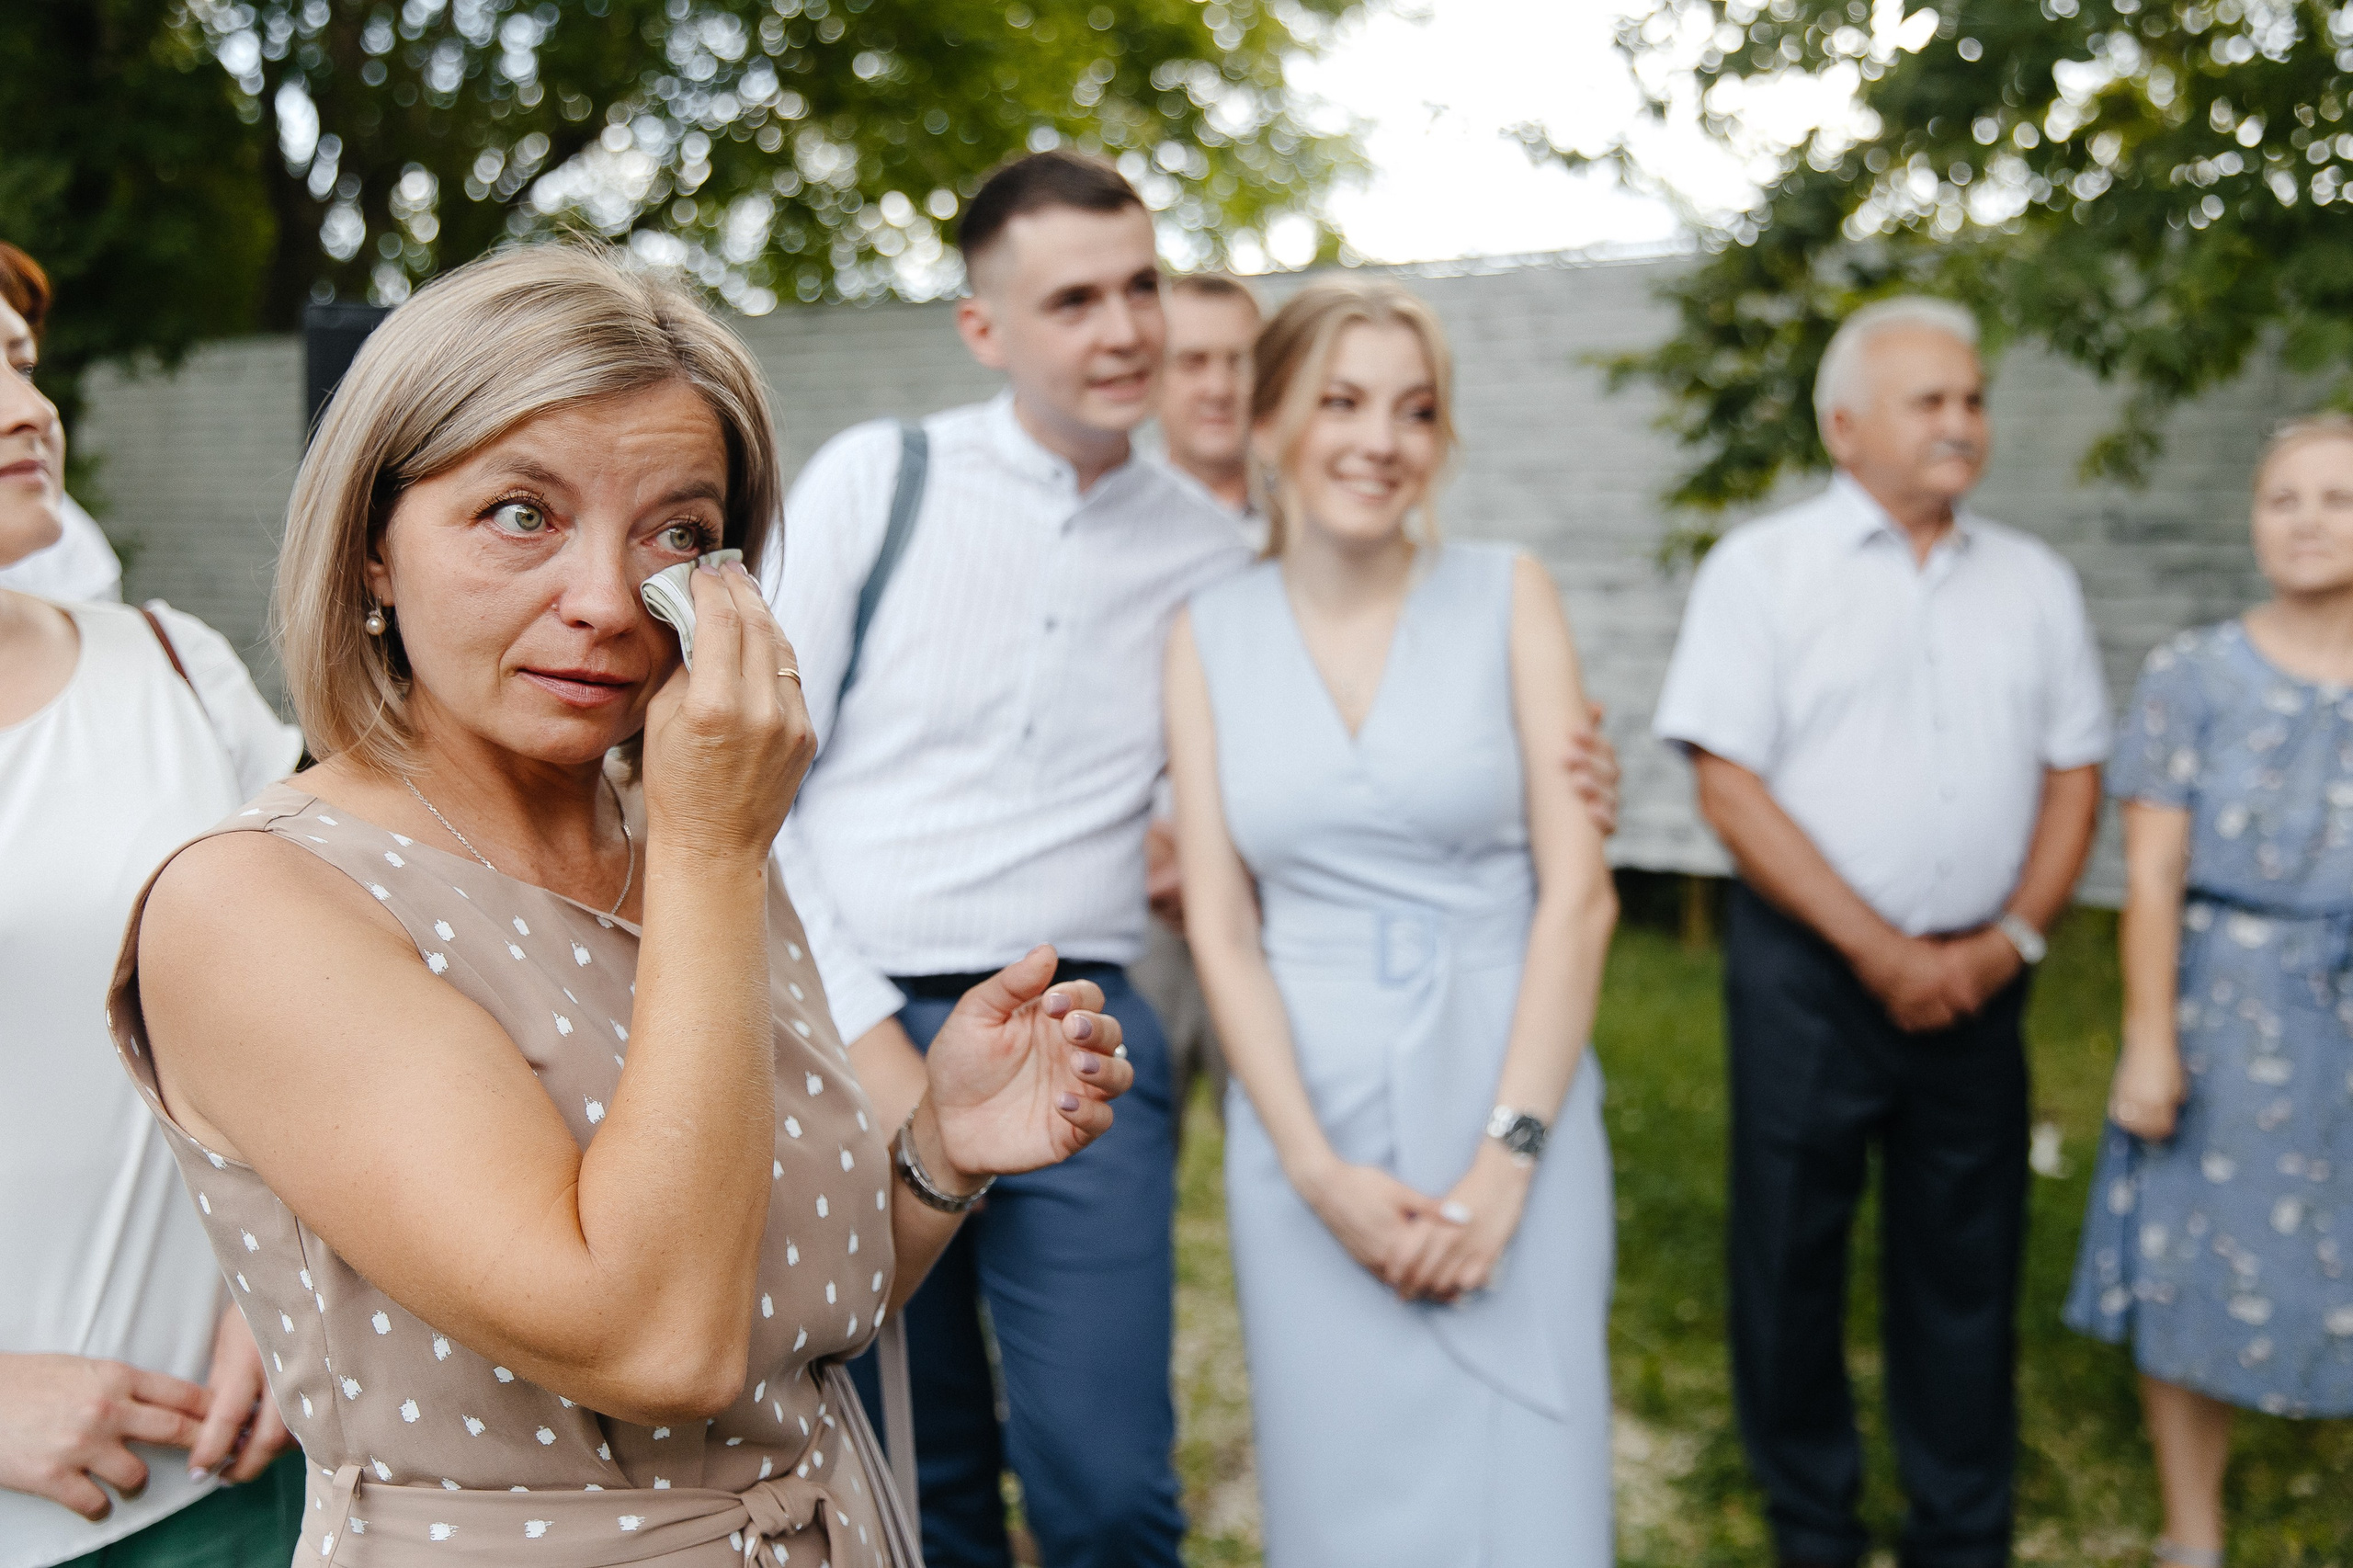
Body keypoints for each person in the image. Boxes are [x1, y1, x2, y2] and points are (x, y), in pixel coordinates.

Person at [107, 243, 1135, 1567]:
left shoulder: (688, 839)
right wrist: (716, 850)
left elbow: (773, 1311)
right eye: (520, 514)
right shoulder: (256, 901)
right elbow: (657, 1343)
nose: (603, 602)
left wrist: (937, 1153)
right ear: (372, 548)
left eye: (678, 531)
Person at [767, 151, 1244, 1568]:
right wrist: (867, 1034)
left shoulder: (1215, 552)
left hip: (1076, 1025)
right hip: (841, 1014)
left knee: (1106, 1489)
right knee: (916, 1470)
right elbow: (743, 786)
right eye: (1076, 299)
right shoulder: (881, 479)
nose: (1124, 330)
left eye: (1143, 286)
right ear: (988, 330)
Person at [1166, 275, 1620, 1562]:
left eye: (1415, 410)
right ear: (1269, 424)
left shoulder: (1509, 593)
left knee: (1528, 1490)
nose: (1381, 438)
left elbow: (1579, 895)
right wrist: (1316, 1171)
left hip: (1505, 1078)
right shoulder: (1206, 630)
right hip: (1306, 1118)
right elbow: (1221, 921)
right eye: (1343, 400)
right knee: (1340, 1490)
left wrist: (1508, 1157)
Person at [1653, 296, 2110, 1568]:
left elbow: (2075, 774)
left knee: (1965, 1265)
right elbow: (1727, 781)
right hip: (1809, 975)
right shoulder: (1763, 569)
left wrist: (2007, 940)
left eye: (1972, 398)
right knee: (1788, 1258)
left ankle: (1961, 1528)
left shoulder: (2035, 581)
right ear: (1845, 426)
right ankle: (1812, 1521)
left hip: (1983, 981)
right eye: (1932, 401)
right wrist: (1879, 948)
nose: (1962, 423)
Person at [0, 244, 304, 1566]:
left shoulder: (181, 666)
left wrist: (298, 1287)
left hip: (230, 1479)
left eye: (16, 361)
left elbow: (328, 1017)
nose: (24, 408)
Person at [2064, 415, 2353, 1568]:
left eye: (2336, 497)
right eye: (2284, 498)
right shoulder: (2193, 672)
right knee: (2197, 1265)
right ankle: (2194, 1533)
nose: (2308, 520)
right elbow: (2150, 871)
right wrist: (2147, 1042)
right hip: (2227, 1007)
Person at [1135, 272, 1266, 1135]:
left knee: (1277, 1137)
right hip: (1136, 897)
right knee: (1123, 1153)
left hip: (1274, 897)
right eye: (1193, 362)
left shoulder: (1320, 531)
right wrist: (1154, 846)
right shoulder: (1110, 527)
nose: (1218, 385)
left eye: (1240, 361)